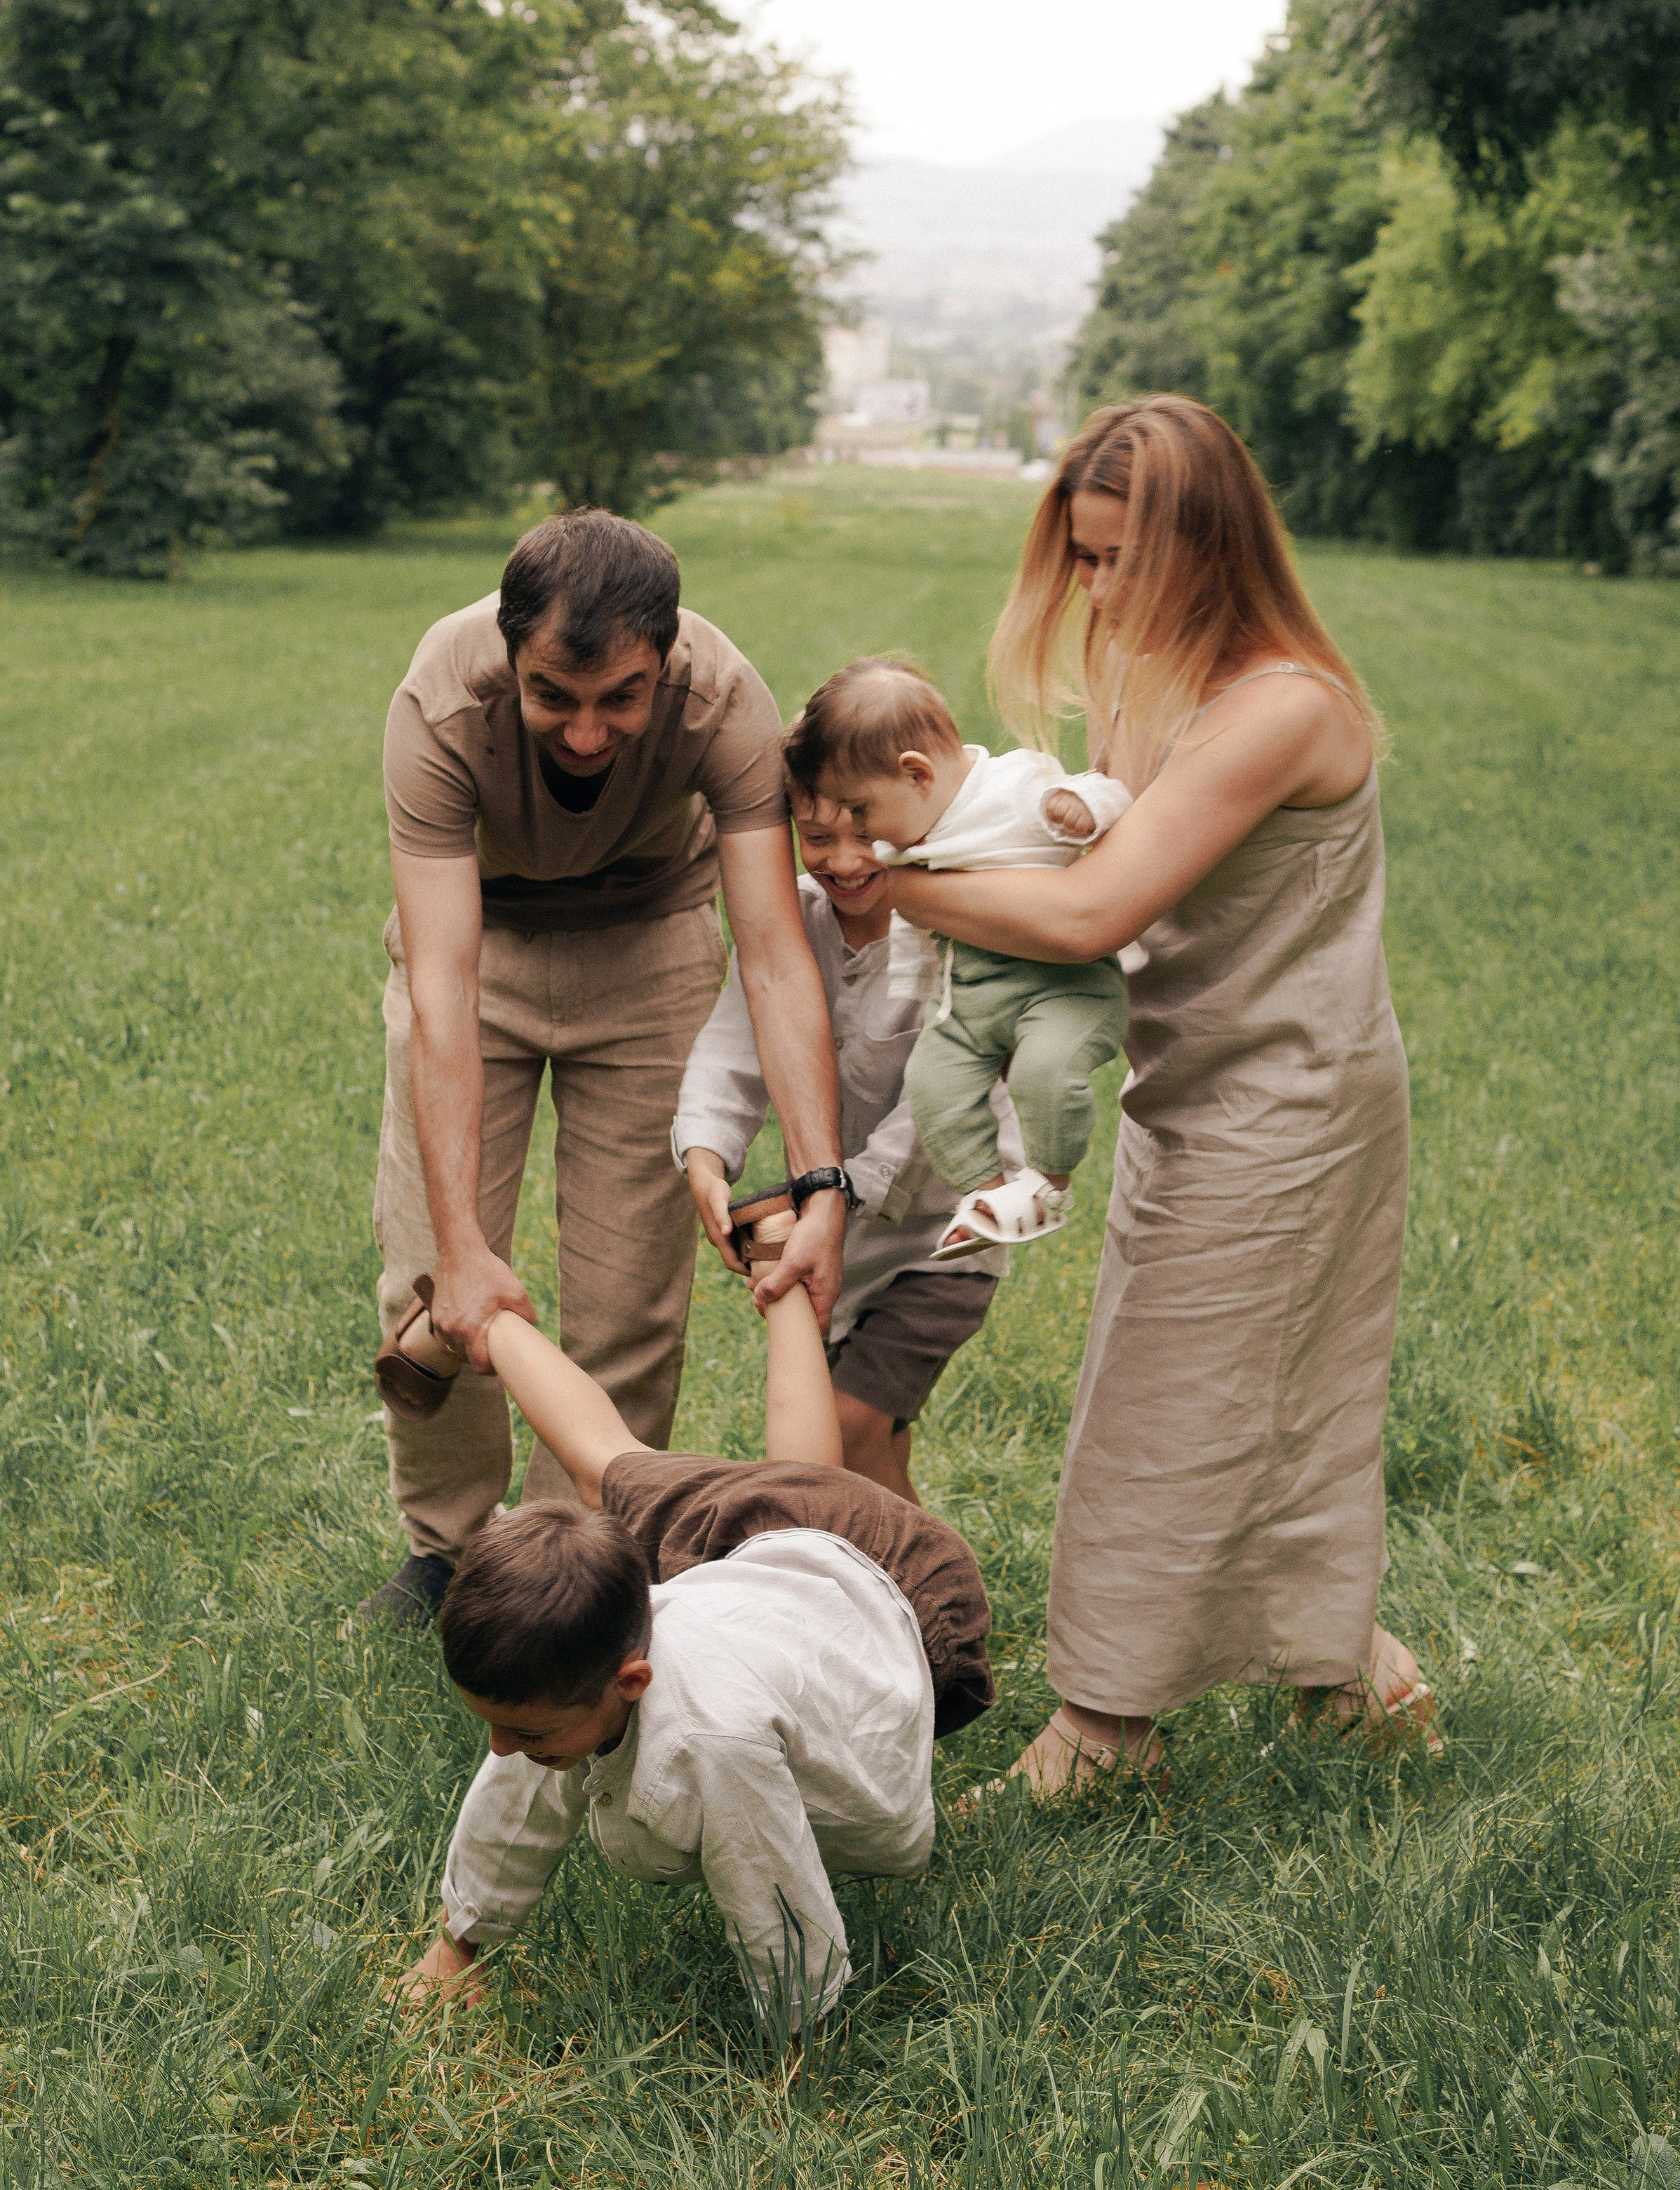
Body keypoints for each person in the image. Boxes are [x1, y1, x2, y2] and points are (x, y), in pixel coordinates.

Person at [888, 396, 1431, 1796]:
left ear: (1202, 546)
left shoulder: (1282, 709)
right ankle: (1354, 1677)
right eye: (1080, 555)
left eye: (1116, 556)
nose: (1092, 588)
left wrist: (887, 884)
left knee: (1172, 1404)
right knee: (1256, 1395)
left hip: (1296, 1102)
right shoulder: (1149, 680)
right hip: (1195, 1084)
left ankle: (1105, 1730)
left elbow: (1090, 914)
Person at [368, 509, 852, 1621]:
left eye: (621, 698)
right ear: (510, 654)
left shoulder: (726, 700)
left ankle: (573, 1553)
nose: (588, 733)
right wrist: (462, 1246)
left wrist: (821, 1178)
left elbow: (777, 958)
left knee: (628, 1302)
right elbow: (442, 984)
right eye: (556, 697)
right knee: (429, 1284)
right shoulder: (441, 702)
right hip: (480, 956)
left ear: (668, 659)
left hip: (648, 949)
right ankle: (447, 1549)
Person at [391, 1241, 993, 2026]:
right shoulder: (575, 1665)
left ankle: (500, 1311)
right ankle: (484, 1308)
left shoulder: (718, 1740)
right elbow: (517, 1799)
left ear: (632, 1675)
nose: (502, 1747)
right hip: (760, 1557)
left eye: (522, 1731)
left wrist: (799, 2042)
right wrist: (457, 1947)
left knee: (772, 1476)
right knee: (667, 1469)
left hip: (903, 1584)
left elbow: (773, 1892)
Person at [674, 734, 1027, 1503]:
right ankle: (922, 1593)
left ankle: (900, 1589)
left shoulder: (952, 928)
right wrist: (705, 1148)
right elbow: (736, 1041)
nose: (842, 860)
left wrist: (836, 1191)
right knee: (874, 1444)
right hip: (844, 1245)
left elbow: (933, 1104)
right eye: (817, 837)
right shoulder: (793, 923)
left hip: (947, 1241)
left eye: (865, 832)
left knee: (847, 1424)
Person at [781, 659, 1131, 1258]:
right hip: (972, 1001)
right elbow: (921, 929)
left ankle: (1050, 1183)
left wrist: (1084, 805)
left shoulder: (1017, 788)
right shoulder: (911, 835)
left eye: (861, 813)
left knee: (1043, 1069)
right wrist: (927, 999)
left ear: (916, 774)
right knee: (933, 1081)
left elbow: (1112, 793)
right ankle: (986, 1192)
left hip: (1064, 991)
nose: (863, 835)